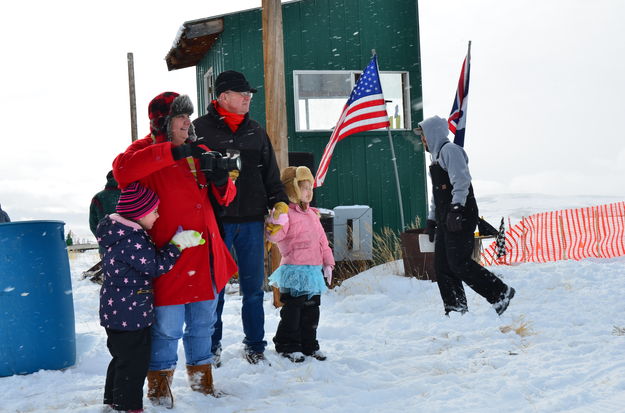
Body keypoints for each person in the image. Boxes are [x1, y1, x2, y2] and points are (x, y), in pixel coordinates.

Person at [112, 92, 238, 405]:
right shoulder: (143, 150)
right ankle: (159, 391)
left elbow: (226, 197)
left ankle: (201, 386)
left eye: (188, 116)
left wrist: (222, 179)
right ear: (164, 122)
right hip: (168, 257)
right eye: (180, 117)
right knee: (167, 329)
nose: (187, 122)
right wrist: (173, 151)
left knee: (203, 325)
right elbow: (122, 171)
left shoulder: (201, 149)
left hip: (203, 254)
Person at [193, 70, 289, 365]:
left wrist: (280, 203)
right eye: (242, 94)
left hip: (250, 220)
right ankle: (211, 347)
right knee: (214, 289)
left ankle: (255, 345)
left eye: (249, 94)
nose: (248, 98)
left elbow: (270, 173)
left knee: (252, 288)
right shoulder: (200, 130)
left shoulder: (256, 130)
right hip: (215, 221)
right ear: (223, 97)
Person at [97, 182, 205, 413]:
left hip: (119, 311)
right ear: (139, 213)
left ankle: (113, 400)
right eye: (154, 211)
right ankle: (129, 406)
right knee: (134, 363)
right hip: (129, 312)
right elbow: (156, 265)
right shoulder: (130, 239)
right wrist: (178, 244)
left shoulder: (120, 233)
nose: (158, 216)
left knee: (122, 359)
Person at [416, 115, 515, 316]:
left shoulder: (450, 151)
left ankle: (500, 293)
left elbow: (461, 181)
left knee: (459, 263)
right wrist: (432, 219)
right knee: (442, 267)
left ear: (432, 134)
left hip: (461, 215)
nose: (422, 140)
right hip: (446, 217)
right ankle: (456, 309)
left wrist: (456, 209)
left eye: (424, 136)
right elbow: (438, 193)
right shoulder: (434, 159)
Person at [266, 166, 334, 362]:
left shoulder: (313, 214)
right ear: (292, 189)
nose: (309, 192)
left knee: (312, 310)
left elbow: (322, 241)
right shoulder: (287, 213)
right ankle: (287, 344)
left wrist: (328, 262)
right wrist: (276, 218)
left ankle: (309, 344)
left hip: (313, 271)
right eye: (304, 187)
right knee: (293, 311)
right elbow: (274, 235)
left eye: (311, 187)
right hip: (294, 270)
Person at [89, 170, 121, 238]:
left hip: (107, 243)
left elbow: (93, 224)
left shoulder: (97, 197)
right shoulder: (131, 193)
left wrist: (103, 240)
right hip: (133, 243)